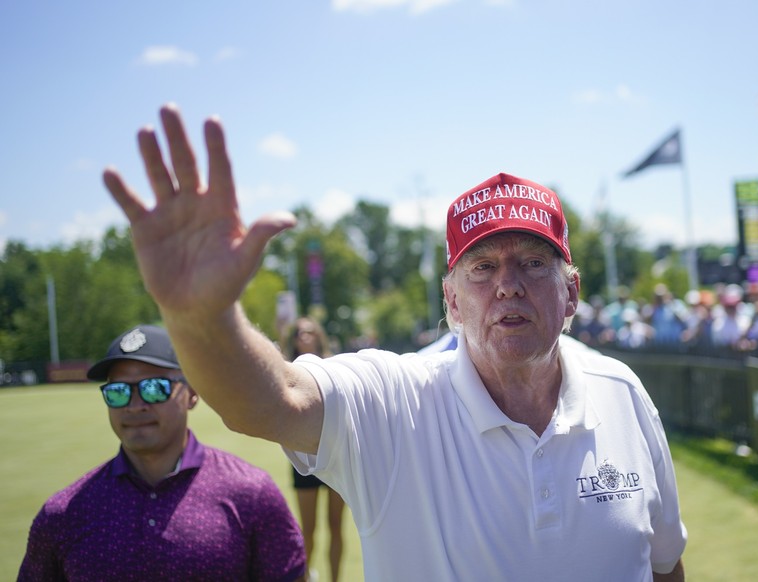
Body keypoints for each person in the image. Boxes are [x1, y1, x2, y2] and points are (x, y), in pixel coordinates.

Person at [102, 105, 687, 580]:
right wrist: (200, 317)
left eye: (534, 262)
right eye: (481, 268)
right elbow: (269, 399)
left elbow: (665, 568)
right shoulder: (395, 402)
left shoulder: (622, 394)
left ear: (571, 292)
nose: (508, 284)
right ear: (451, 302)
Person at [18, 324, 307, 582]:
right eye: (118, 391)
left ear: (192, 392)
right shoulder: (63, 513)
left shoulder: (252, 495)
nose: (135, 405)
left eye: (154, 388)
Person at [285, 317, 345, 582]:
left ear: (318, 335)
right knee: (307, 529)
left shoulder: (334, 364)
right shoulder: (286, 368)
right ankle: (306, 577)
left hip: (337, 453)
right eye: (299, 333)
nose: (305, 336)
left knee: (336, 525)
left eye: (310, 331)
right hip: (303, 455)